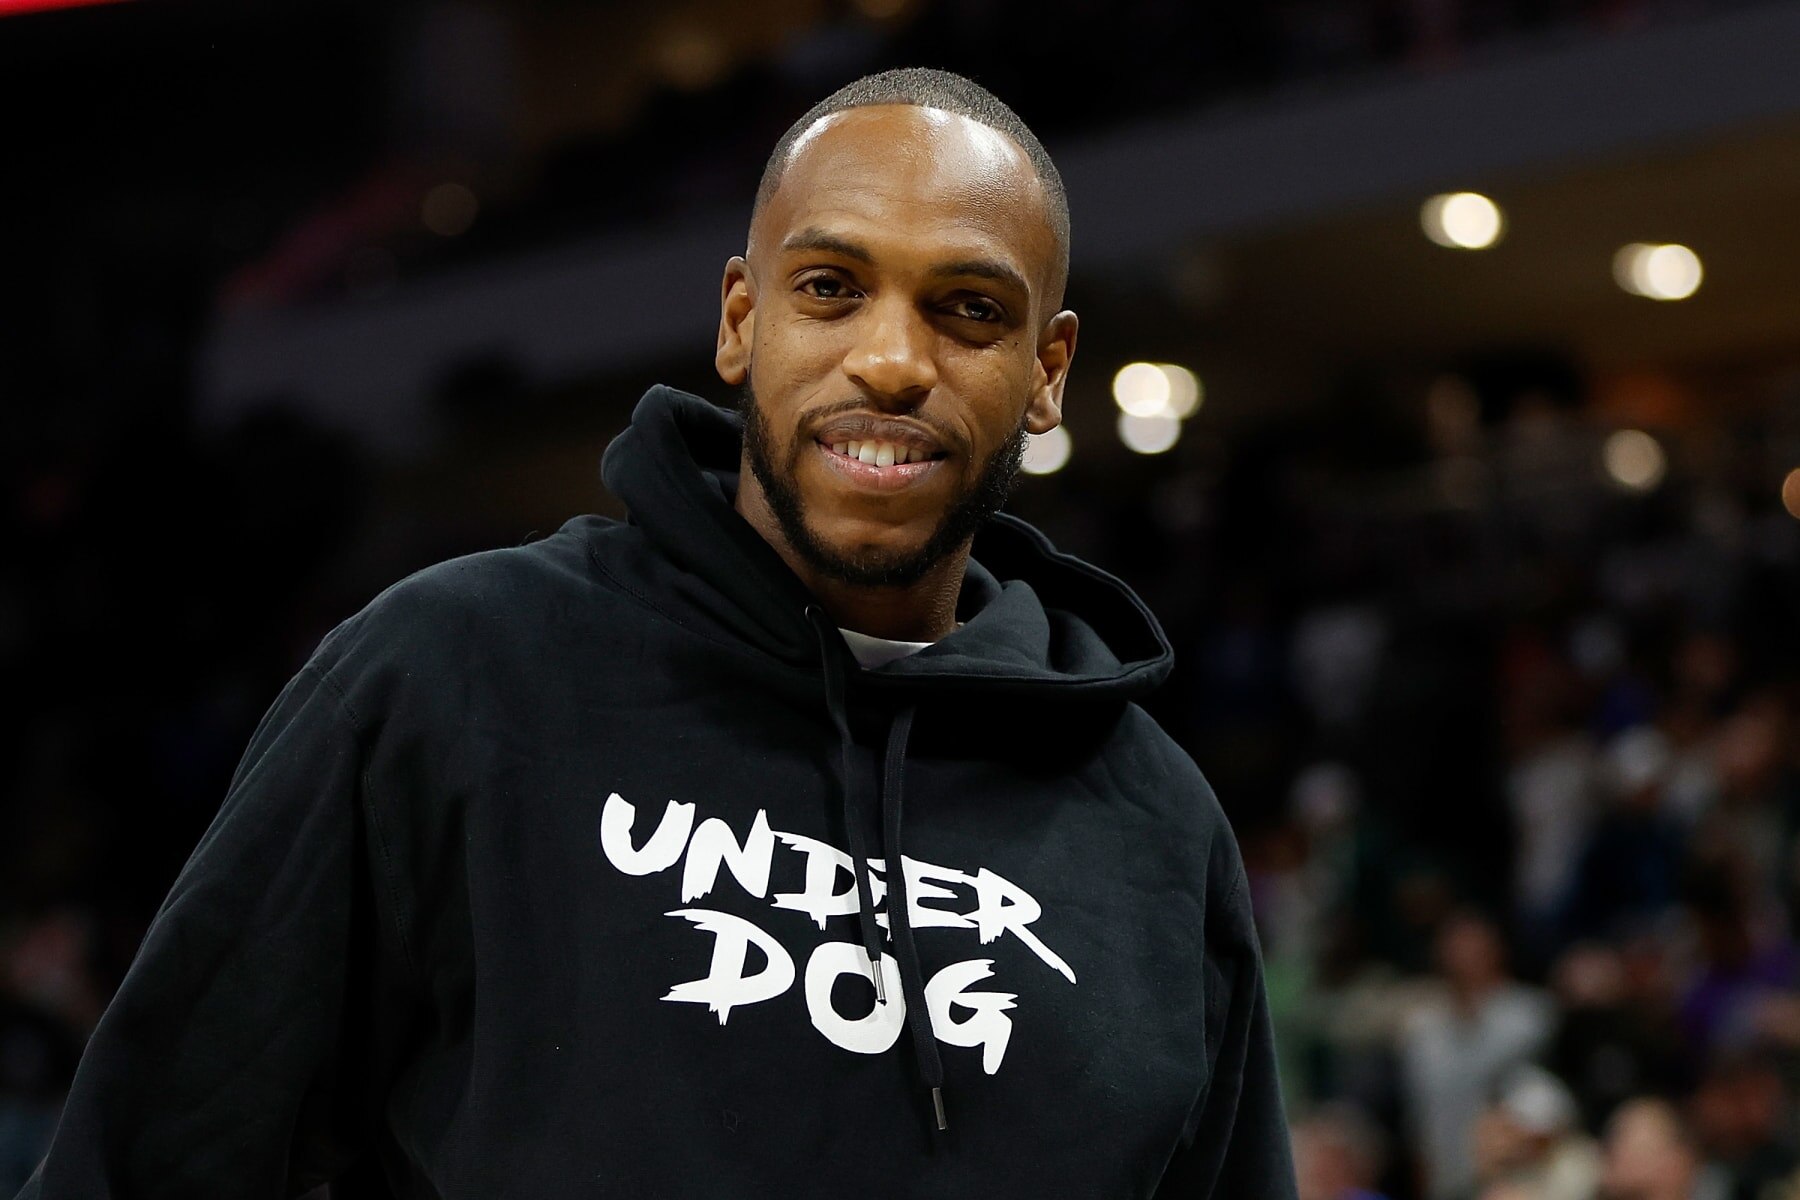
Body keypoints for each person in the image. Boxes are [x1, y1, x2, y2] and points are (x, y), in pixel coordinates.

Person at [17, 68, 1296, 1197]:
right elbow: (153, 1156)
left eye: (968, 309)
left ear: (1050, 368)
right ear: (742, 320)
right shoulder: (454, 671)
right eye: (831, 288)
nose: (892, 360)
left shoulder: (1154, 830)